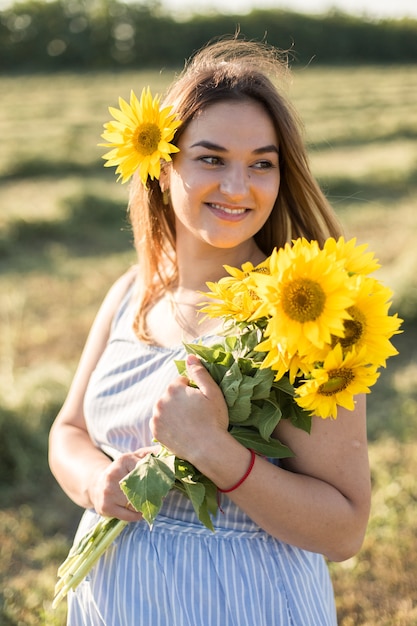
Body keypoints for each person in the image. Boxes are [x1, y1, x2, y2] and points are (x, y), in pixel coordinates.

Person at [49, 37, 371, 626]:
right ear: (162, 164)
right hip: (112, 601)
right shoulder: (132, 292)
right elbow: (67, 431)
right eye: (212, 158)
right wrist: (98, 483)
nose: (237, 187)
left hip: (246, 603)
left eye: (262, 163)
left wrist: (217, 454)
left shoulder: (304, 315)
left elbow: (344, 528)